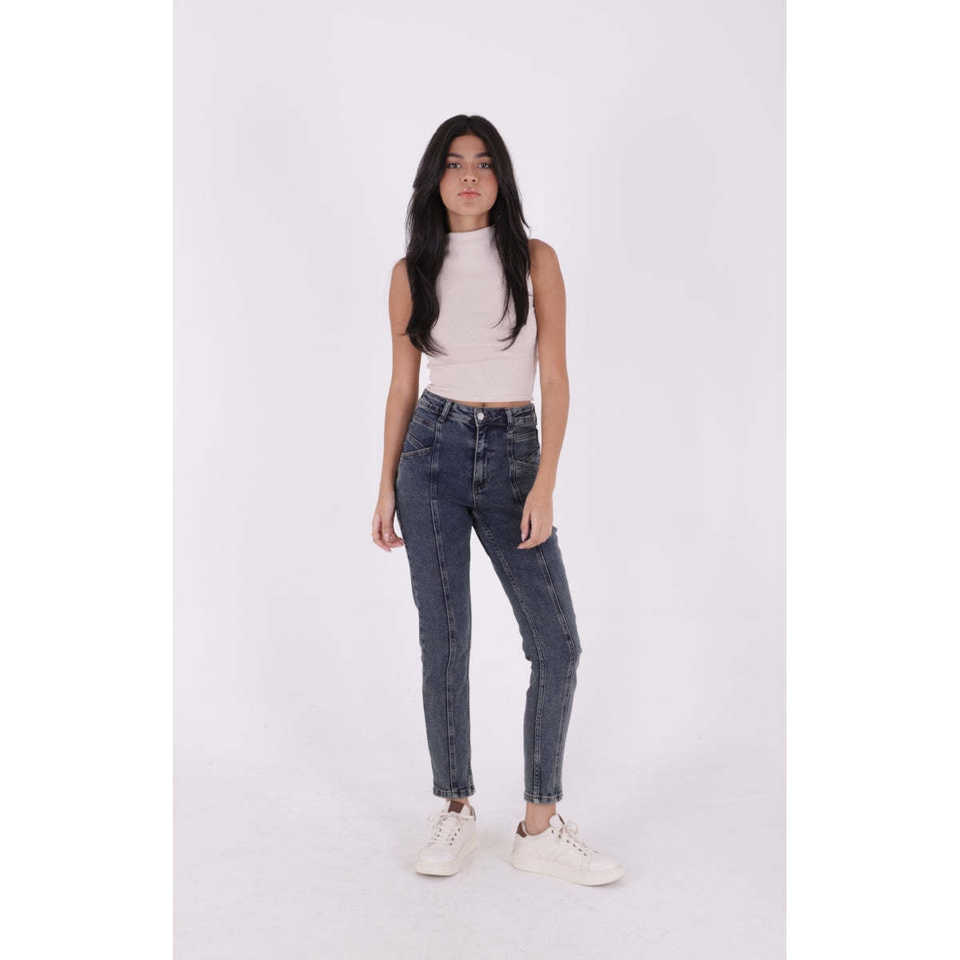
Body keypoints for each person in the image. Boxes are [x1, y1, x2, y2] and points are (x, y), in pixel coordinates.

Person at [371, 115, 624, 886]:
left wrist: (545, 481)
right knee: (444, 638)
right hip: (431, 454)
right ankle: (454, 809)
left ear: (501, 177)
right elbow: (402, 385)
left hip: (514, 453)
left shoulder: (534, 260)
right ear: (435, 179)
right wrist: (383, 484)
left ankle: (538, 828)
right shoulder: (411, 271)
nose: (470, 176)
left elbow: (556, 377)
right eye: (455, 163)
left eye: (483, 163)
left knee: (557, 643)